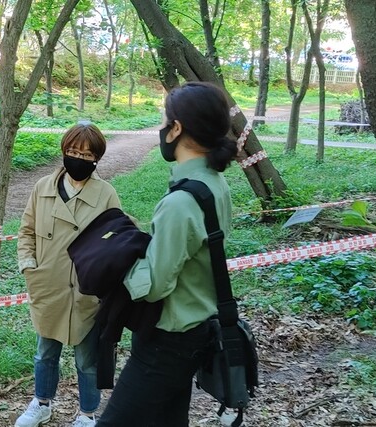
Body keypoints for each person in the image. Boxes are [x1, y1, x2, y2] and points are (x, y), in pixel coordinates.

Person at [96, 82, 238, 426]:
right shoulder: (215, 186)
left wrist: (115, 259)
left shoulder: (180, 202)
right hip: (196, 332)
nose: (161, 129)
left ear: (177, 128)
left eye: (164, 121)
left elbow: (156, 285)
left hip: (166, 342)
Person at [15, 122, 122, 427]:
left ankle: (87, 414)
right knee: (45, 353)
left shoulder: (105, 194)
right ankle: (42, 403)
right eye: (73, 151)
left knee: (87, 360)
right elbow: (26, 231)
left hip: (87, 293)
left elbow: (119, 238)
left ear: (96, 158)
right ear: (64, 152)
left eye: (86, 154)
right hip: (48, 287)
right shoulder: (42, 188)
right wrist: (28, 264)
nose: (78, 158)